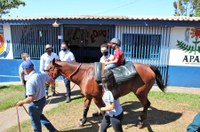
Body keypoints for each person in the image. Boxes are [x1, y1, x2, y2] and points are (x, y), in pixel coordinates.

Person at [16, 60, 57, 132]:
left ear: (26, 69)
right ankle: (52, 130)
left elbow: (31, 98)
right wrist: (52, 87)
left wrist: (21, 102)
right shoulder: (41, 73)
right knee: (40, 116)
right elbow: (52, 81)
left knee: (35, 123)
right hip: (42, 100)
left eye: (24, 69)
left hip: (35, 104)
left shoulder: (30, 81)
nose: (23, 71)